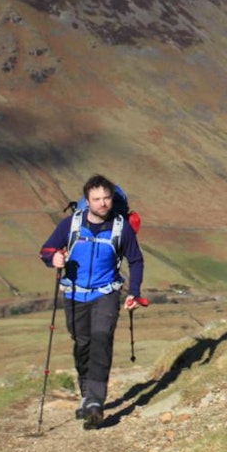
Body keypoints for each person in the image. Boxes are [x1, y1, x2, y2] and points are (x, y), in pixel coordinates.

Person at [39, 174, 145, 429]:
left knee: (101, 339)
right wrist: (53, 258)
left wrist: (134, 291)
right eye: (96, 199)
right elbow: (46, 250)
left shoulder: (122, 228)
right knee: (82, 342)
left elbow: (136, 260)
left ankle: (95, 401)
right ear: (87, 201)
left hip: (106, 293)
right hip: (75, 294)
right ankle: (86, 391)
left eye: (106, 198)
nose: (102, 203)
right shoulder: (70, 225)